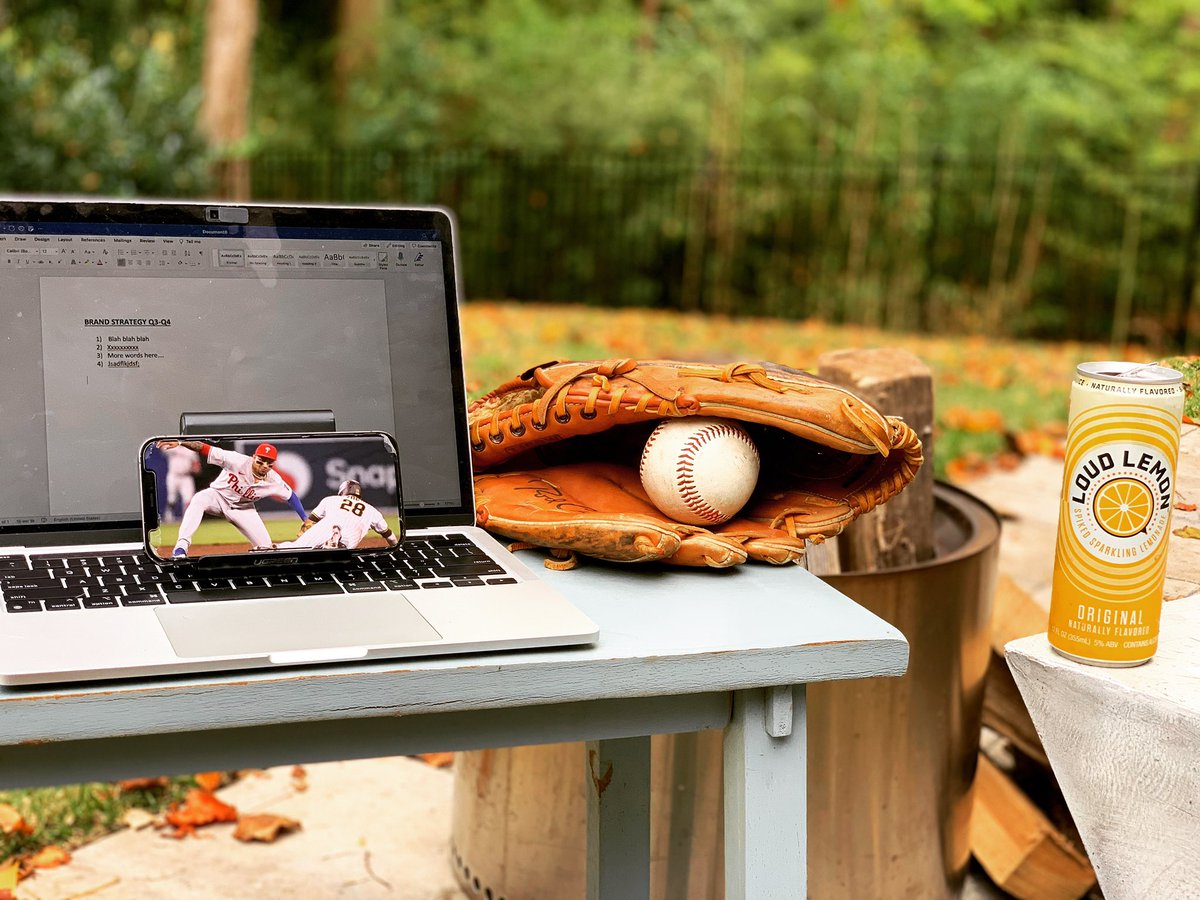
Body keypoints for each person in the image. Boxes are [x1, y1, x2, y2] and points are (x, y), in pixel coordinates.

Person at [157, 440, 307, 557]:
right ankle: (181, 547)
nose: (264, 465)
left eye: (269, 463)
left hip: (244, 510)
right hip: (217, 497)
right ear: (254, 457)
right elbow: (205, 448)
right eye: (261, 460)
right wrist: (182, 443)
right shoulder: (236, 460)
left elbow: (291, 496)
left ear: (273, 464)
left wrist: (306, 519)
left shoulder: (274, 480)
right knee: (199, 499)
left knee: (266, 549)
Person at [276, 479, 400, 550]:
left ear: (342, 491)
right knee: (344, 548)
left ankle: (272, 548)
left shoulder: (331, 499)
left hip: (326, 527)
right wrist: (396, 548)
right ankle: (337, 543)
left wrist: (302, 534)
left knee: (297, 547)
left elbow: (309, 523)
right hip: (350, 539)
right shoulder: (373, 511)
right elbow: (390, 536)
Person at [162, 443, 200, 522]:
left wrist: (195, 469)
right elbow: (162, 447)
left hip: (186, 476)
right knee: (171, 498)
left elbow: (197, 465)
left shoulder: (191, 451)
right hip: (173, 475)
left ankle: (187, 518)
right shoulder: (173, 448)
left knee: (188, 499)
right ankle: (169, 516)